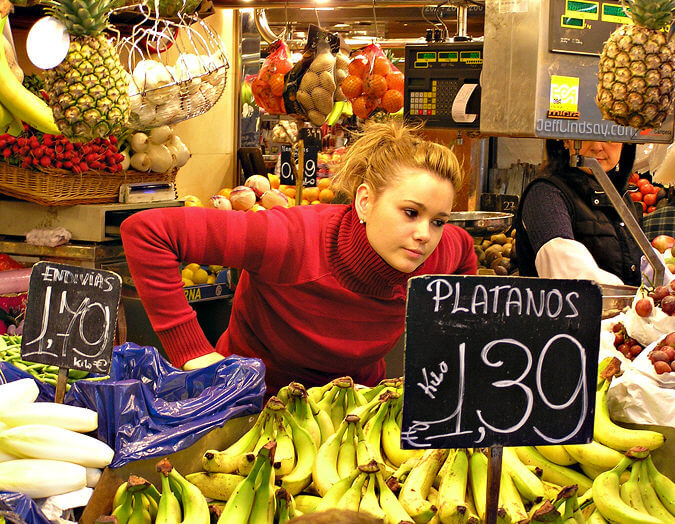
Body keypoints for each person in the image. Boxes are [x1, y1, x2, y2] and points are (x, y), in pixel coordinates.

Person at [121, 122, 478, 392]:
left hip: (354, 412)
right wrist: (191, 351)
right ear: (365, 201)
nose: (425, 235)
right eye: (411, 213)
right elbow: (148, 232)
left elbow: (463, 255)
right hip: (250, 407)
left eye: (439, 221)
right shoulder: (288, 238)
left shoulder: (440, 249)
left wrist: (442, 344)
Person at [514, 139, 642, 286]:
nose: (597, 146)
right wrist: (629, 298)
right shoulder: (545, 194)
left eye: (610, 137)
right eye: (586, 135)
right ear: (565, 140)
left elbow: (639, 260)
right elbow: (570, 274)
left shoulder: (618, 194)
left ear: (625, 142)